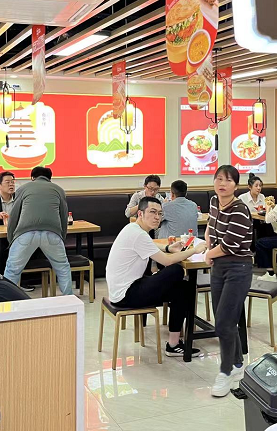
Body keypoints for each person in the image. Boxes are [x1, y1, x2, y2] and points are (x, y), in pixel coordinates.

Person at [106, 196, 206, 356]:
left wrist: (168, 247)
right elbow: (167, 261)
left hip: (124, 289)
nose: (157, 217)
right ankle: (175, 342)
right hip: (126, 294)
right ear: (140, 213)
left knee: (183, 288)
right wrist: (194, 250)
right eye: (152, 212)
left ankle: (173, 344)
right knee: (176, 270)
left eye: (160, 213)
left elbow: (151, 244)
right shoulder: (138, 234)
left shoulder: (133, 229)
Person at [204, 165, 254, 398]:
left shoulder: (240, 210)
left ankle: (225, 372)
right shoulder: (215, 201)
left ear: (236, 185)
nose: (222, 184)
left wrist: (209, 254)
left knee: (224, 322)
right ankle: (237, 364)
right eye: (218, 179)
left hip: (238, 267)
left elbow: (230, 245)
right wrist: (208, 245)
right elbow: (210, 227)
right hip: (219, 268)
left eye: (227, 180)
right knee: (224, 319)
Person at [4, 166, 73, 295]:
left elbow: (13, 216)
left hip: (25, 233)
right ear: (49, 178)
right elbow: (64, 217)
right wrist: (61, 238)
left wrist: (11, 239)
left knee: (12, 270)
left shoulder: (23, 189)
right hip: (52, 233)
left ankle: (7, 298)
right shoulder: (59, 190)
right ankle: (69, 298)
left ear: (32, 178)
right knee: (62, 268)